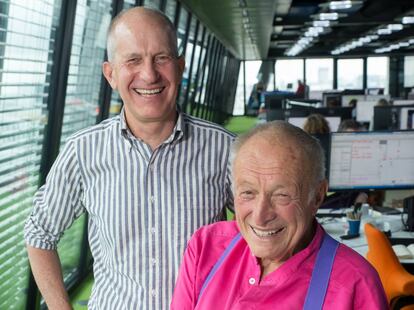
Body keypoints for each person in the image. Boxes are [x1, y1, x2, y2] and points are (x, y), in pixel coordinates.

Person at [24, 7, 234, 310]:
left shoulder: (224, 149)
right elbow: (40, 232)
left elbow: (265, 232)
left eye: (161, 58)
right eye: (133, 60)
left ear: (180, 66)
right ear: (110, 74)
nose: (149, 74)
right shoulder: (83, 152)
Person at [171, 121, 387, 309]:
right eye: (248, 192)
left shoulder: (355, 285)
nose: (260, 216)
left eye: (282, 195)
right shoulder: (205, 247)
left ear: (317, 196)